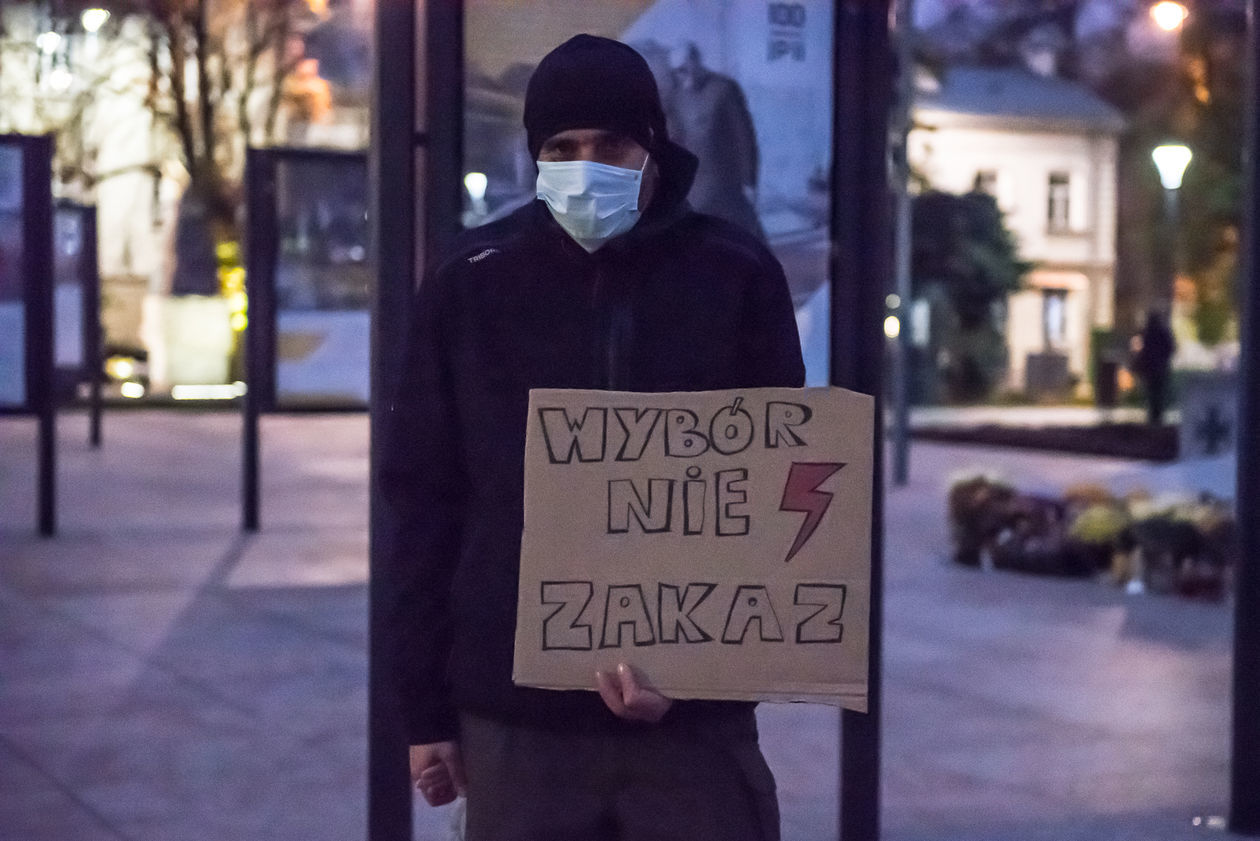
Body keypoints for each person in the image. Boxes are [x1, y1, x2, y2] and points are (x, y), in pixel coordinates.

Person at [381, 34, 803, 841]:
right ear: (535, 158)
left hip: (692, 729)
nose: (587, 165)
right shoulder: (471, 282)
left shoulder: (736, 276)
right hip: (519, 721)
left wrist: (698, 677)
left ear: (653, 147)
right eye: (562, 147)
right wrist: (423, 710)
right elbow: (424, 505)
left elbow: (775, 497)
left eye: (611, 143)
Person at [665, 42, 765, 240]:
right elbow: (673, 140)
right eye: (678, 72)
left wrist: (749, 181)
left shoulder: (724, 89)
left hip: (726, 183)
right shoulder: (677, 97)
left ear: (696, 62)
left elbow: (744, 138)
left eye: (686, 68)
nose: (684, 76)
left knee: (742, 238)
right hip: (694, 184)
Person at [1131, 310, 1176, 425]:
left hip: (1153, 367)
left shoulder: (1148, 333)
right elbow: (1170, 348)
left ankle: (1154, 416)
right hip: (1157, 368)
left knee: (1154, 393)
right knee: (1157, 393)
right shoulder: (1159, 333)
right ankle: (1156, 416)